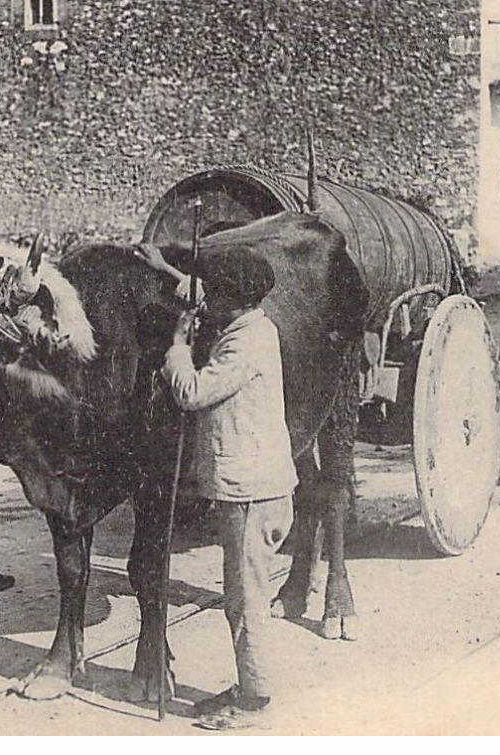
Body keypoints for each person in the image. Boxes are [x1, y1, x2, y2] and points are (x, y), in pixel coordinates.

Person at [151, 243, 295, 731]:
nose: (204, 300)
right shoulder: (252, 322)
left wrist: (176, 344)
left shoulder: (243, 343)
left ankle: (254, 703)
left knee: (245, 598)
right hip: (258, 486)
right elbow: (201, 295)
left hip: (250, 493)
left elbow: (192, 393)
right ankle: (250, 685)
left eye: (213, 293)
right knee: (244, 594)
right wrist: (166, 270)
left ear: (232, 298)